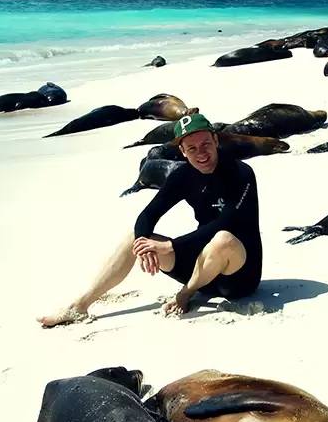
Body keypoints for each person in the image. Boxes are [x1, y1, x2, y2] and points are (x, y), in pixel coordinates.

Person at [37, 113, 262, 326]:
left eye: (205, 144)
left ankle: (185, 294)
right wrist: (143, 244)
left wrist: (170, 245)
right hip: (202, 269)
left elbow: (227, 222)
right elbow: (148, 214)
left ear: (215, 139)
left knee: (223, 239)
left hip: (238, 275)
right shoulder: (183, 176)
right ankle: (79, 306)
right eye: (192, 148)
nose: (200, 153)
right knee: (134, 237)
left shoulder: (240, 173)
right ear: (182, 151)